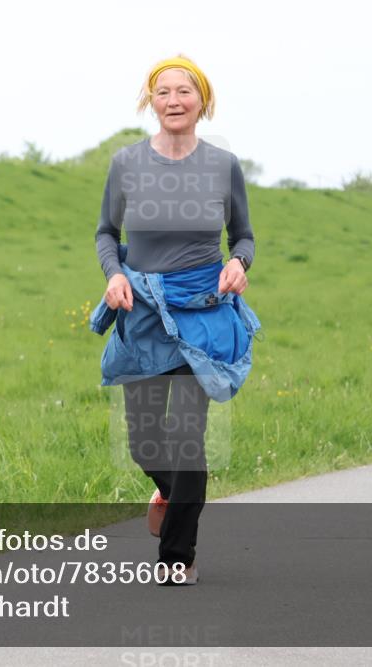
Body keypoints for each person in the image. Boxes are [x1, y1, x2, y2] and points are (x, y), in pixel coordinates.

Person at [93, 54, 256, 586]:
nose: (174, 101)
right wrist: (113, 275)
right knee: (145, 442)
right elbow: (105, 234)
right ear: (151, 101)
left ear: (201, 101)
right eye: (163, 92)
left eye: (184, 91)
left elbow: (244, 237)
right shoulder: (126, 164)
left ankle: (176, 557)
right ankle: (170, 488)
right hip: (140, 314)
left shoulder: (223, 165)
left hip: (201, 320)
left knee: (187, 439)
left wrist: (238, 263)